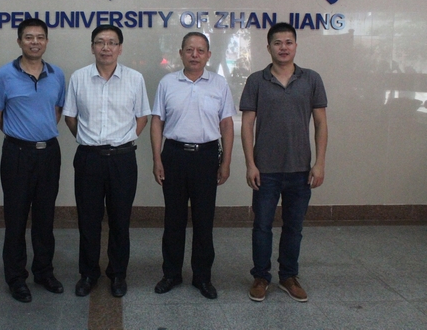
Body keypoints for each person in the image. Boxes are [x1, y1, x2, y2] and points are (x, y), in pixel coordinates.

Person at [240, 22, 328, 303]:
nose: (283, 47)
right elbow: (247, 125)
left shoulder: (311, 79)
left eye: (288, 42)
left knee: (294, 227)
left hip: (301, 169)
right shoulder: (256, 80)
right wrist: (250, 164)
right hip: (265, 169)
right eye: (277, 43)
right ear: (268, 47)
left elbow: (321, 123)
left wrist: (319, 163)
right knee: (262, 226)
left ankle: (289, 276)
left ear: (296, 46)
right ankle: (261, 277)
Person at [63, 24, 151, 298]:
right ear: (92, 47)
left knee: (120, 220)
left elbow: (142, 117)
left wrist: (124, 139)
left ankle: (117, 273)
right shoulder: (79, 77)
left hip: (122, 159)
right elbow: (70, 117)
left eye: (112, 42)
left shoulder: (134, 78)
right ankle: (88, 273)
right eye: (100, 42)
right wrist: (88, 140)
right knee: (88, 220)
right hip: (88, 158)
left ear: (120, 48)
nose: (106, 47)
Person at [150, 32, 236, 299]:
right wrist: (157, 159)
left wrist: (226, 162)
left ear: (208, 55)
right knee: (173, 219)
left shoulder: (219, 84)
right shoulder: (167, 83)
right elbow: (157, 122)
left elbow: (226, 124)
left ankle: (202, 277)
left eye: (200, 50)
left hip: (206, 157)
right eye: (189, 50)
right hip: (174, 155)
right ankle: (171, 274)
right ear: (181, 53)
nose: (194, 55)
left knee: (204, 220)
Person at [0, 18, 66, 303]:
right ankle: (16, 277)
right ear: (19, 41)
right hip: (17, 154)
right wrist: (21, 136)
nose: (35, 42)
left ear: (46, 41)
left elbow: (57, 110)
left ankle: (44, 272)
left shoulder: (57, 74)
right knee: (16, 217)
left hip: (49, 153)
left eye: (40, 37)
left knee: (45, 217)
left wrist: (39, 133)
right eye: (29, 37)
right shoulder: (3, 75)